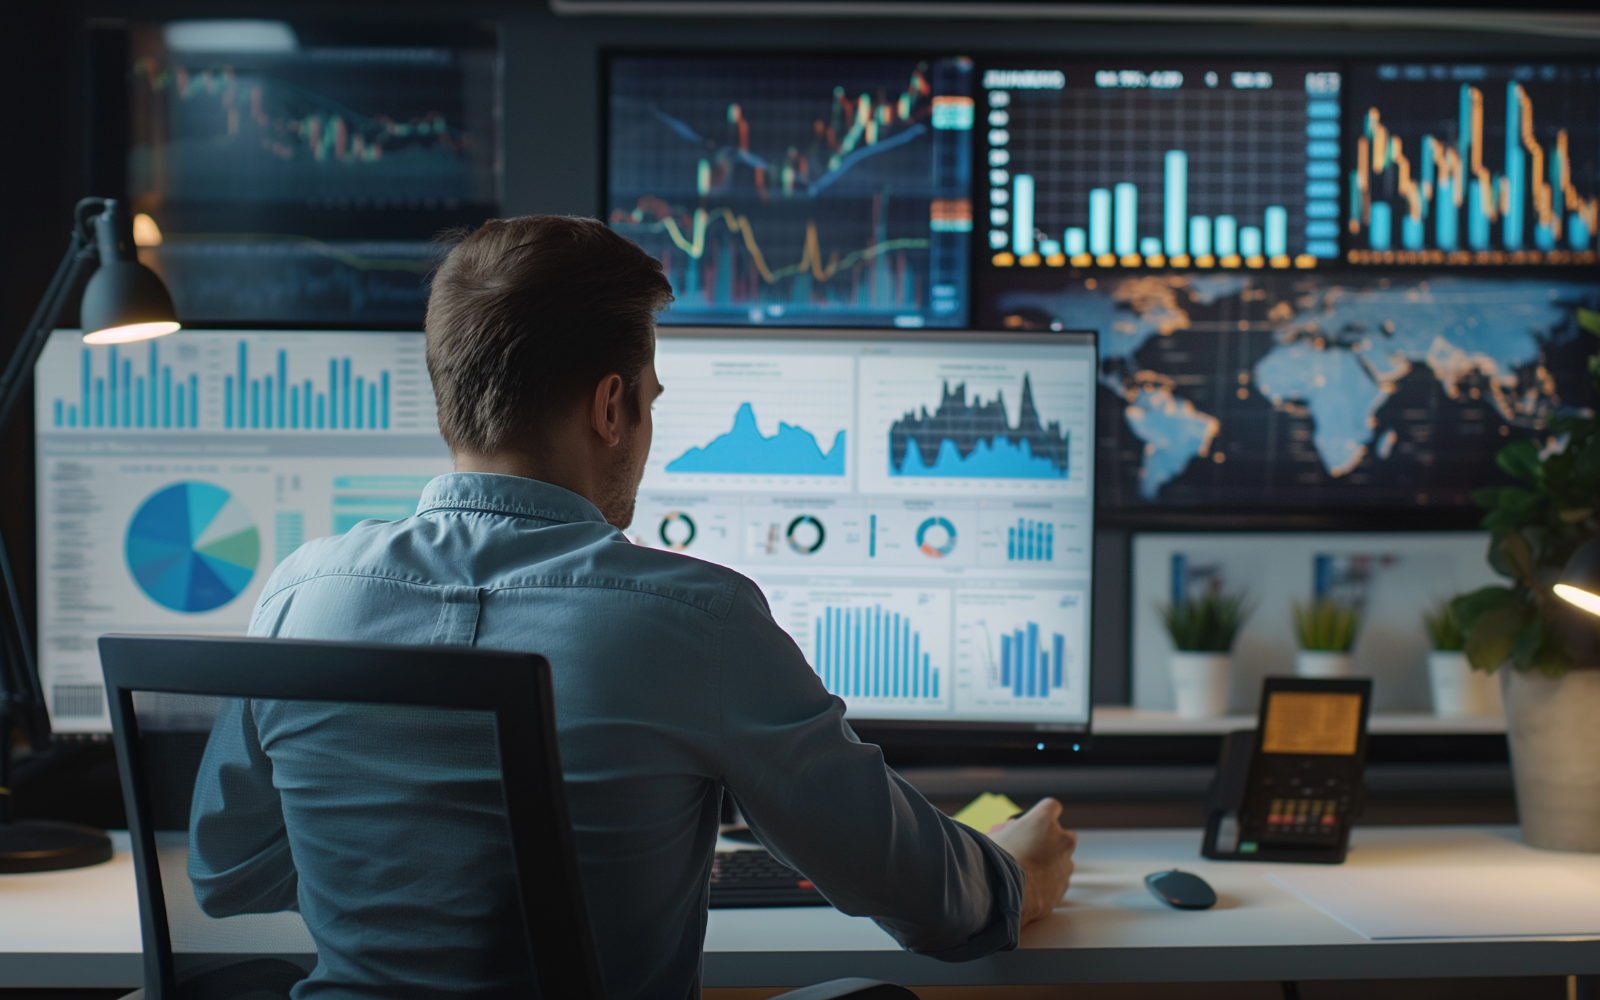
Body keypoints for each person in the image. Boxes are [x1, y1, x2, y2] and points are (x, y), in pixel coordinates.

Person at [187, 215, 1077, 1000]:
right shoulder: (698, 619)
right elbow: (927, 904)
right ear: (611, 407)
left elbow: (227, 872)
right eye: (649, 402)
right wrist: (1015, 876)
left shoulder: (305, 594)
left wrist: (406, 869)